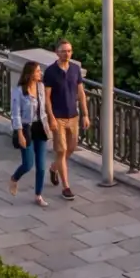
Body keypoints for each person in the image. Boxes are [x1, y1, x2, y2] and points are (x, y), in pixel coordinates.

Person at [42, 40, 87, 201]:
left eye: (69, 51)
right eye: (63, 51)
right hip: (58, 117)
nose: (66, 54)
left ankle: (54, 168)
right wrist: (51, 118)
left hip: (73, 116)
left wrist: (85, 114)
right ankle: (66, 187)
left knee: (71, 148)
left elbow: (80, 93)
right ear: (57, 52)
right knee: (61, 151)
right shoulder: (50, 72)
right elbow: (47, 98)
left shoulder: (75, 69)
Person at [7, 60, 54, 206]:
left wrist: (51, 120)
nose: (40, 73)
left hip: (40, 126)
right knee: (28, 164)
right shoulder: (19, 92)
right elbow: (16, 114)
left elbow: (45, 104)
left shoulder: (40, 87)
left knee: (41, 166)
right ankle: (14, 178)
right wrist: (19, 133)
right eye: (38, 71)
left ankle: (38, 195)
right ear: (30, 74)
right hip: (26, 128)